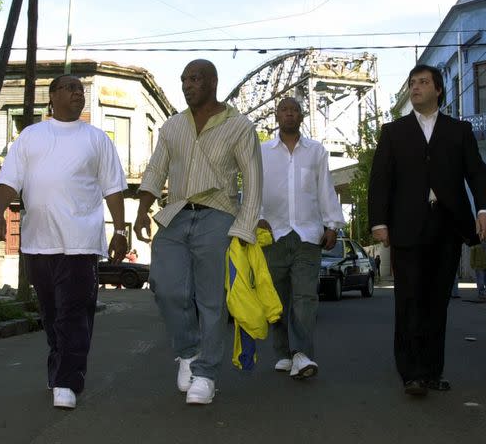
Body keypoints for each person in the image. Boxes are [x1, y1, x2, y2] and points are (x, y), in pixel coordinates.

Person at [0, 75, 128, 409]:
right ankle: (60, 362)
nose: (78, 92)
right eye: (70, 88)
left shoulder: (96, 139)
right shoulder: (31, 136)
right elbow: (10, 180)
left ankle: (68, 379)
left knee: (74, 311)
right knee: (51, 312)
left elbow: (113, 188)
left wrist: (120, 232)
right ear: (52, 97)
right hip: (38, 242)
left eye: (81, 89)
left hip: (81, 242)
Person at [134, 59, 262, 405]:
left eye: (195, 79)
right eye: (184, 80)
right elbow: (155, 170)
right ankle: (188, 352)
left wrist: (244, 228)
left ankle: (205, 373)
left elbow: (253, 183)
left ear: (213, 82)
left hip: (218, 214)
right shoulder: (172, 126)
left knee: (211, 300)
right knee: (165, 286)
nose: (188, 85)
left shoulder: (239, 126)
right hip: (175, 214)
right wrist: (142, 210)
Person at [368, 64, 486, 397]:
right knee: (409, 301)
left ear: (438, 90)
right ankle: (411, 373)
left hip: (448, 226)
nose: (416, 88)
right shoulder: (394, 132)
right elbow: (380, 180)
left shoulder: (459, 130)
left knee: (437, 302)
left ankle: (432, 371)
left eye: (423, 82)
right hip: (407, 227)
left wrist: (483, 209)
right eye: (412, 83)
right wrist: (379, 222)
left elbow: (477, 174)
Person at [257, 97, 345, 379]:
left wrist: (332, 225)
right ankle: (283, 352)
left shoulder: (316, 152)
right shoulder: (261, 151)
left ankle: (301, 354)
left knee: (305, 298)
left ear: (301, 116)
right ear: (277, 115)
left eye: (294, 110)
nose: (289, 114)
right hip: (273, 234)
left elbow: (325, 189)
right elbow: (254, 187)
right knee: (278, 300)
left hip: (308, 234)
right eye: (284, 110)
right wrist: (257, 218)